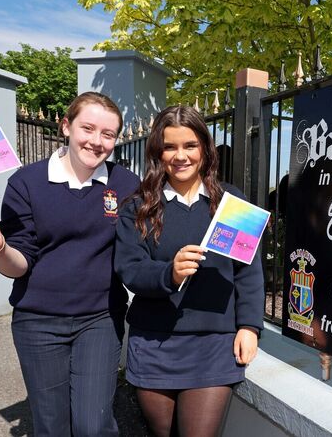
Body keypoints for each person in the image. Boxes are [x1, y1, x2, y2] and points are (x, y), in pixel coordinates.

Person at [0, 92, 140, 436]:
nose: (97, 141)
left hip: (100, 318)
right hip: (38, 322)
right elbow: (18, 264)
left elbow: (148, 237)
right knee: (51, 426)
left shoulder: (126, 184)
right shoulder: (26, 183)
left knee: (93, 425)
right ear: (66, 127)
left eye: (108, 134)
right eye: (87, 128)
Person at [114, 105, 264, 436]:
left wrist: (250, 327)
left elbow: (248, 272)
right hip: (154, 343)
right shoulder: (138, 207)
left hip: (214, 344)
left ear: (204, 149)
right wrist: (171, 274)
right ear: (157, 151)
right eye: (170, 146)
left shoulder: (230, 201)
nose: (180, 156)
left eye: (190, 146)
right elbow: (131, 269)